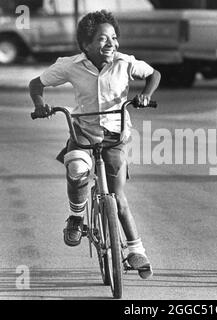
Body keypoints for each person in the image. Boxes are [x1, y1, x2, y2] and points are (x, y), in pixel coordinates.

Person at [29, 10, 161, 279]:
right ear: (86, 44)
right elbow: (36, 84)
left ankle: (136, 250)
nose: (111, 44)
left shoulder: (125, 63)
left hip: (115, 136)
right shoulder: (70, 65)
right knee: (76, 168)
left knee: (117, 196)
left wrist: (145, 95)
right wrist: (40, 104)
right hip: (84, 133)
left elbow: (154, 74)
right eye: (102, 39)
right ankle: (77, 216)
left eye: (114, 38)